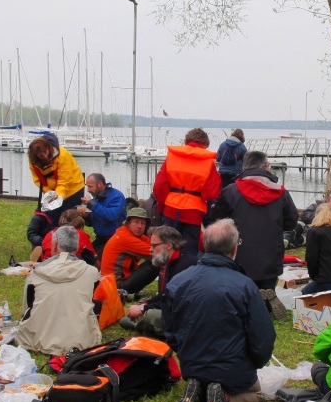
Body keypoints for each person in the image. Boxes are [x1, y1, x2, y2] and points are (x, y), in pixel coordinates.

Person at [163, 219, 275, 402]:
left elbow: (169, 330)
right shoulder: (245, 286)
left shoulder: (178, 281)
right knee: (256, 393)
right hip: (233, 370)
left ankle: (198, 388)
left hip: (192, 364)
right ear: (234, 248)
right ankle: (224, 399)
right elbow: (263, 337)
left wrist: (186, 352)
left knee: (205, 372)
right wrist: (255, 363)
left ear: (205, 245)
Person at [210, 150, 299, 289]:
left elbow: (214, 220)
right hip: (270, 256)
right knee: (266, 298)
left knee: (238, 298)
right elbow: (291, 221)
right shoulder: (280, 192)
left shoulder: (231, 191)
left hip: (238, 256)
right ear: (265, 166)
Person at [13, 225, 102, 356]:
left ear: (54, 245)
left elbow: (27, 308)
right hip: (81, 341)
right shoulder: (92, 273)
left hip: (39, 340)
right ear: (77, 247)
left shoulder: (36, 273)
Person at [152, 127, 220, 268]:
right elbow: (211, 193)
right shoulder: (208, 162)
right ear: (205, 144)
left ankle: (165, 286)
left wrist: (162, 207)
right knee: (188, 254)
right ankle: (185, 284)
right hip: (193, 213)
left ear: (186, 141)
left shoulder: (172, 157)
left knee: (166, 251)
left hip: (171, 209)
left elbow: (160, 186)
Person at [119, 225, 192, 336]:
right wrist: (145, 304)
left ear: (168, 246)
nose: (150, 249)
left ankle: (144, 324)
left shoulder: (183, 265)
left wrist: (144, 308)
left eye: (154, 245)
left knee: (152, 315)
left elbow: (171, 300)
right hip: (181, 311)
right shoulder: (174, 260)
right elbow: (166, 294)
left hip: (188, 317)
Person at [27, 132, 85, 223]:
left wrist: (57, 198)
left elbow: (64, 181)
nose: (44, 156)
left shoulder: (63, 155)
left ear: (49, 148)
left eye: (45, 152)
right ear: (35, 155)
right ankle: (52, 235)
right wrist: (50, 194)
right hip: (52, 191)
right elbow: (38, 180)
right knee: (51, 219)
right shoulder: (33, 162)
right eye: (40, 155)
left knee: (71, 219)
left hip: (73, 188)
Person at [100, 207, 159, 296]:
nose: (139, 226)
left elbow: (155, 244)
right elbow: (157, 253)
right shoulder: (125, 238)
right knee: (158, 261)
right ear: (128, 223)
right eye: (136, 222)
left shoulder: (135, 236)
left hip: (115, 282)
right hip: (115, 286)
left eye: (143, 223)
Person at [79, 172, 127, 256]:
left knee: (95, 260)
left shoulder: (117, 196)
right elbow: (92, 222)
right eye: (87, 187)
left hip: (115, 239)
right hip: (100, 238)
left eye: (90, 186)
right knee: (84, 255)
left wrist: (92, 203)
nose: (88, 190)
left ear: (100, 184)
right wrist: (85, 216)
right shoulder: (97, 198)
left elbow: (112, 215)